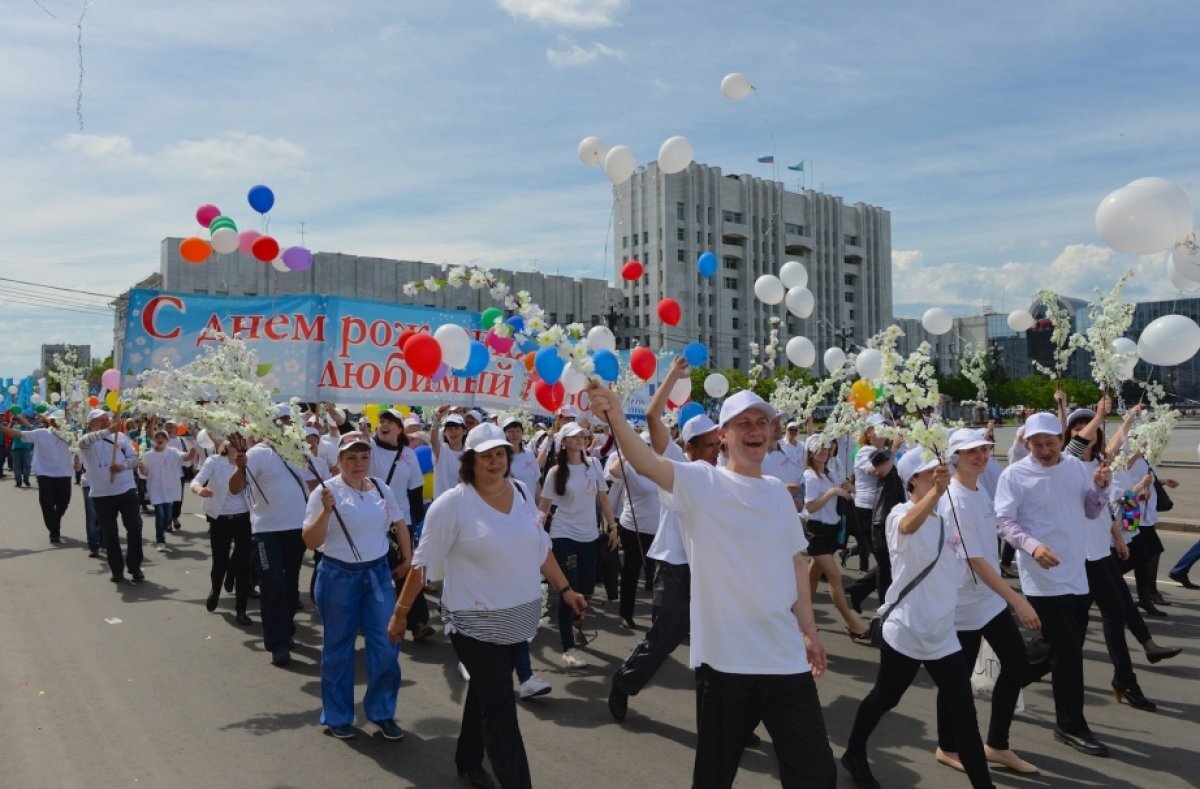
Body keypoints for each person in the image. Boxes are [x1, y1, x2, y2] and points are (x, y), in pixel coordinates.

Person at [586, 382, 836, 789]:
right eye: (742, 424)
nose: (755, 430)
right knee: (714, 777)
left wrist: (808, 631)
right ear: (723, 436)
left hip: (785, 660)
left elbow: (795, 565)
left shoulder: (776, 493)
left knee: (816, 774)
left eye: (761, 422)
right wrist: (615, 416)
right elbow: (649, 465)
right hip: (726, 665)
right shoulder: (703, 483)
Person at [390, 422, 587, 789]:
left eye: (500, 453)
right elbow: (422, 563)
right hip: (474, 622)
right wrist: (401, 613)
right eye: (486, 455)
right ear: (469, 460)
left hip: (518, 618)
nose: (495, 461)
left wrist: (566, 588)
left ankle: (467, 759)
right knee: (500, 708)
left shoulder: (522, 490)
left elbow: (540, 546)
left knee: (485, 691)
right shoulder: (452, 505)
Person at [843, 450, 994, 789]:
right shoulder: (899, 514)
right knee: (885, 697)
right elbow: (910, 526)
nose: (939, 477)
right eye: (930, 473)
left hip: (943, 633)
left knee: (965, 718)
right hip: (908, 630)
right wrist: (937, 494)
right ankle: (853, 752)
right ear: (912, 479)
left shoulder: (944, 516)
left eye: (941, 472)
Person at [995, 412, 1113, 757]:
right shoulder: (1015, 474)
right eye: (1037, 444)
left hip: (1077, 570)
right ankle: (1070, 725)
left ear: (1061, 440)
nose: (1044, 450)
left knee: (1059, 645)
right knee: (1068, 654)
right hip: (1043, 577)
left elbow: (1090, 511)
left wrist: (1101, 488)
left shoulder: (1076, 468)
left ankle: (1010, 676)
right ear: (1027, 443)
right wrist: (1033, 546)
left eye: (1050, 442)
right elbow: (1003, 521)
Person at [610, 356, 714, 722]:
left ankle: (719, 719)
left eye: (719, 441)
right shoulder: (675, 462)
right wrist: (672, 375)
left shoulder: (726, 474)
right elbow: (653, 418)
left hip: (708, 571)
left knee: (713, 646)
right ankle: (623, 682)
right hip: (673, 566)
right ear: (692, 446)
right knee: (665, 637)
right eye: (710, 443)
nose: (718, 448)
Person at [933, 429, 1041, 775]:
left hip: (989, 600)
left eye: (983, 450)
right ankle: (946, 746)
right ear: (955, 458)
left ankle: (996, 744)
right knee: (957, 680)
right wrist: (1018, 601)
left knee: (1018, 666)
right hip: (964, 605)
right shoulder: (954, 498)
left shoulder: (978, 489)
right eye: (971, 453)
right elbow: (975, 559)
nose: (980, 457)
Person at [1063, 404, 1181, 712]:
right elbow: (1078, 445)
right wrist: (1099, 416)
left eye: (1090, 426)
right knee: (1065, 634)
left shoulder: (1101, 463)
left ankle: (1125, 679)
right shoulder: (1067, 463)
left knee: (1115, 614)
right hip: (1081, 557)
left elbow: (1115, 444)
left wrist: (1128, 418)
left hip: (1100, 551)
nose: (1085, 431)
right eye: (1078, 427)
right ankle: (1023, 669)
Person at [304, 437, 410, 741]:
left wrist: (408, 558)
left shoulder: (379, 486)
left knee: (388, 644)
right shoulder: (324, 492)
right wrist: (326, 511)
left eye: (364, 457)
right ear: (339, 459)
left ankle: (382, 712)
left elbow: (400, 521)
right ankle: (338, 715)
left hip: (377, 575)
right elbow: (310, 542)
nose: (358, 464)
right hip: (338, 576)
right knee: (339, 648)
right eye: (351, 458)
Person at [229, 404, 316, 667]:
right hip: (267, 533)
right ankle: (277, 644)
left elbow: (311, 484)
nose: (286, 425)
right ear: (269, 424)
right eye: (281, 421)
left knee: (290, 587)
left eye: (290, 421)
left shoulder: (298, 450)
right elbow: (235, 489)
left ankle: (286, 630)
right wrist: (240, 467)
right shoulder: (257, 454)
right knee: (272, 585)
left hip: (297, 529)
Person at [539, 421, 617, 667]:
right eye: (574, 437)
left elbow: (603, 497)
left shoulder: (593, 465)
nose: (580, 439)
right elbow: (544, 507)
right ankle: (567, 648)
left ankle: (574, 626)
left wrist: (612, 526)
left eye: (583, 435)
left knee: (587, 590)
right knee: (568, 590)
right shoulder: (555, 472)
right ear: (564, 442)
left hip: (589, 536)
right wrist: (536, 536)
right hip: (563, 535)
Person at [372, 409, 435, 642]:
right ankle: (369, 620)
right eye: (382, 420)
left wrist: (418, 527)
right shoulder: (367, 449)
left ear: (400, 428)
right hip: (371, 520)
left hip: (401, 523)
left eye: (391, 422)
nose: (385, 425)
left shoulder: (408, 454)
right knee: (373, 570)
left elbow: (415, 492)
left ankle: (418, 622)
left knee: (406, 570)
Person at [803, 435, 870, 641]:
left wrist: (847, 487)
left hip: (832, 530)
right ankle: (852, 623)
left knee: (812, 577)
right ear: (811, 453)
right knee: (835, 577)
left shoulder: (830, 473)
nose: (824, 452)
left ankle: (800, 618)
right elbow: (810, 506)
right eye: (819, 449)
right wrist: (832, 492)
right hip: (817, 531)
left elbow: (843, 488)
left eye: (826, 448)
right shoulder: (810, 476)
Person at [77, 409, 145, 583]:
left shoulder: (121, 438)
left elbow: (134, 458)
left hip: (126, 489)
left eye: (107, 419)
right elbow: (85, 441)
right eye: (101, 420)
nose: (106, 422)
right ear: (91, 424)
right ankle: (116, 570)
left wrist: (122, 466)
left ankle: (135, 565)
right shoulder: (87, 442)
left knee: (135, 526)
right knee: (110, 533)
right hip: (102, 494)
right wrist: (108, 431)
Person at [191, 435, 254, 624]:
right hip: (220, 518)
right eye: (233, 441)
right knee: (220, 561)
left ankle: (241, 609)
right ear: (227, 444)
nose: (237, 445)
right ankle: (216, 588)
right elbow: (196, 481)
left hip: (244, 517)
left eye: (241, 441)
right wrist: (200, 489)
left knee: (243, 565)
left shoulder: (251, 461)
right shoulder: (214, 462)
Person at [0, 410, 74, 542]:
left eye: (59, 420)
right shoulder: (41, 434)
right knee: (47, 503)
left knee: (63, 502)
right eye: (53, 420)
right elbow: (16, 433)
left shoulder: (69, 435)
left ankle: (55, 522)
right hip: (45, 474)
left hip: (64, 473)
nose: (57, 422)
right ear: (49, 422)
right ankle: (54, 531)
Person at [139, 428, 193, 551]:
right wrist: (142, 467)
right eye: (157, 437)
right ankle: (160, 541)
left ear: (167, 440)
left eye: (162, 437)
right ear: (153, 440)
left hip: (170, 488)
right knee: (160, 514)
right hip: (155, 488)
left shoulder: (172, 452)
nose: (159, 439)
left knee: (167, 515)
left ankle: (163, 528)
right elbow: (145, 472)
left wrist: (191, 453)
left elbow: (184, 457)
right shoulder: (148, 455)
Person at [431, 409, 466, 498]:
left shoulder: (469, 453)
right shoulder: (442, 450)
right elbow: (434, 441)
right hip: (442, 507)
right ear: (444, 433)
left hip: (463, 505)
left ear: (464, 431)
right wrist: (437, 418)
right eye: (449, 429)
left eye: (457, 428)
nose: (453, 432)